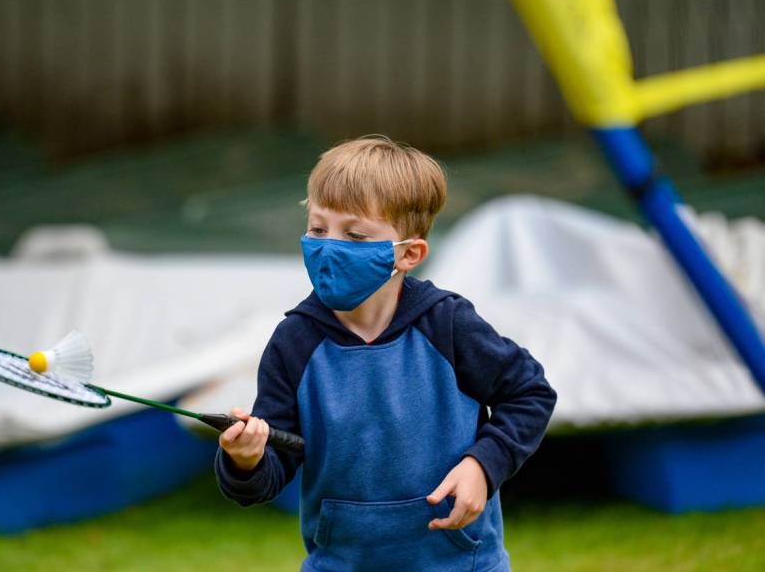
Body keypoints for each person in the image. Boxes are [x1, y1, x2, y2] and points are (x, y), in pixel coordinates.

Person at [214, 135, 556, 571]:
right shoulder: (293, 343)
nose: (328, 246)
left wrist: (482, 466)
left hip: (463, 562)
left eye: (354, 235)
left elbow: (530, 393)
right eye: (318, 229)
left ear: (408, 254)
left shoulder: (448, 325)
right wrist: (246, 460)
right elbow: (271, 468)